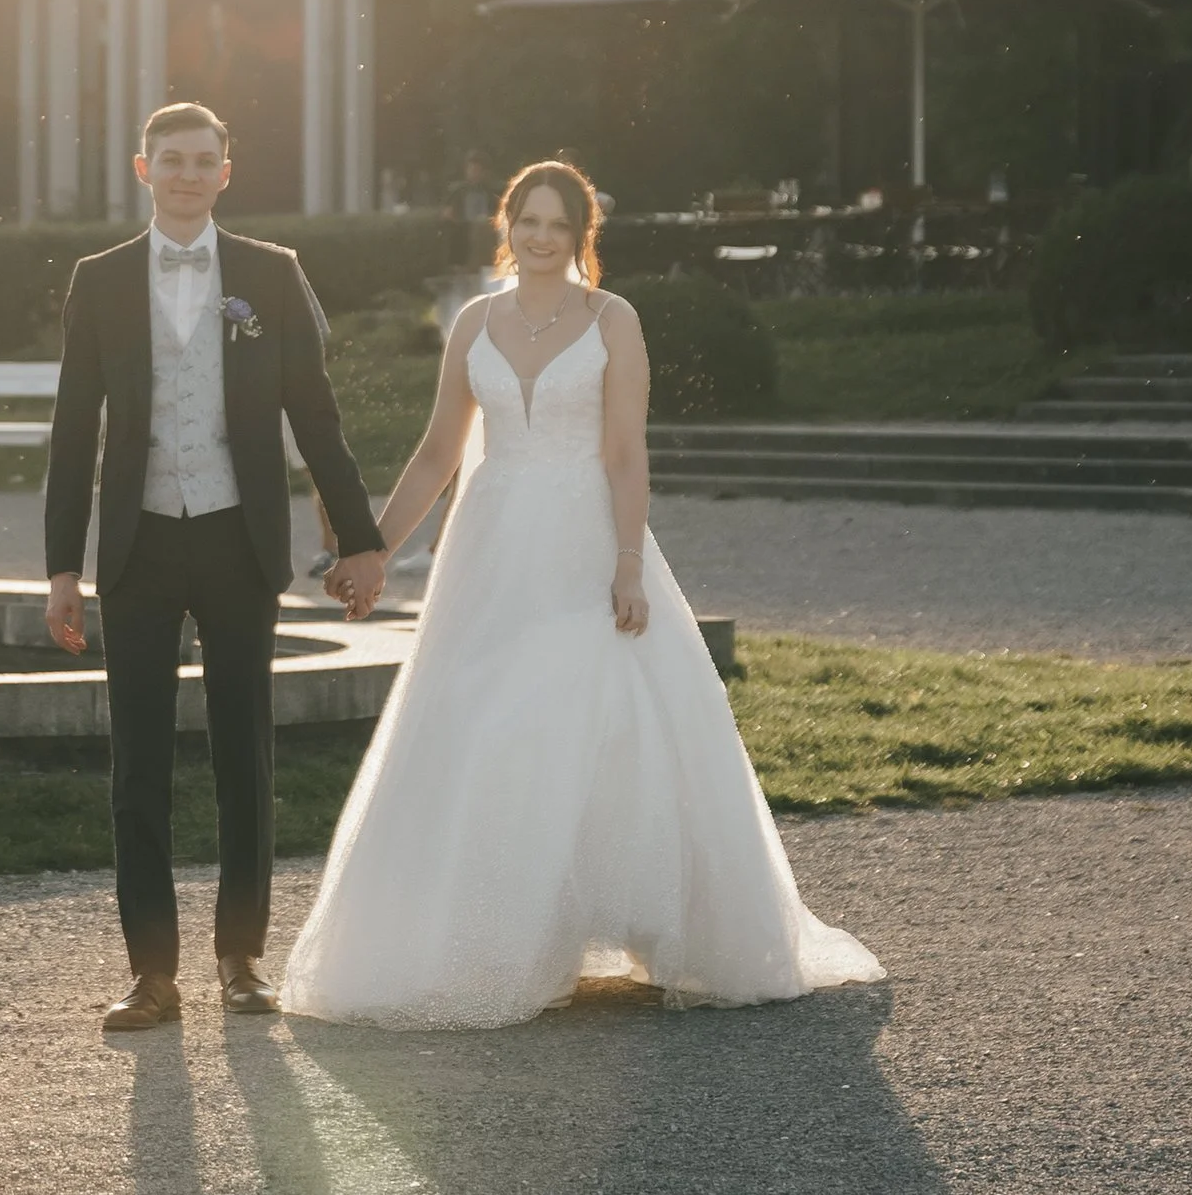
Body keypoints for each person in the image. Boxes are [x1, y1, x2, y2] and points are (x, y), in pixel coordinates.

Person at [280, 158, 880, 1029]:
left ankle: (643, 928)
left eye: (559, 225)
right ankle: (495, 942)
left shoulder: (612, 320)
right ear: (507, 224)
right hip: (489, 549)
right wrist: (373, 549)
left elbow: (626, 453)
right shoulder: (474, 322)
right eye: (529, 220)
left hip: (585, 540)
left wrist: (628, 563)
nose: (541, 237)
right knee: (485, 718)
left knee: (589, 713)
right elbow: (439, 451)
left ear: (581, 237)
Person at [44, 100, 386, 1034]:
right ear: (142, 168)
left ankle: (241, 959)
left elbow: (316, 417)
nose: (189, 174)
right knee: (137, 765)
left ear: (227, 173)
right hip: (139, 545)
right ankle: (152, 973)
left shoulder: (271, 277)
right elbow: (74, 431)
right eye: (173, 160)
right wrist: (60, 567)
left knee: (246, 753)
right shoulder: (101, 279)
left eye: (205, 160)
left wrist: (360, 542)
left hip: (238, 540)